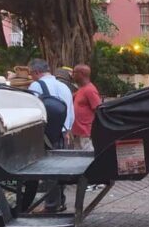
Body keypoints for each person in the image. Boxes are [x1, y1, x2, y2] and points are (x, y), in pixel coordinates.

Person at [27, 58, 74, 213]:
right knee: (60, 170)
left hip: (47, 134)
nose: (30, 77)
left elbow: (33, 111)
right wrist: (67, 130)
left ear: (36, 72)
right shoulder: (64, 87)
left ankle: (51, 206)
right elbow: (70, 112)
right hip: (63, 133)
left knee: (48, 171)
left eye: (31, 73)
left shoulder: (36, 86)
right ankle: (60, 202)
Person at [71, 64, 102, 151]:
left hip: (86, 133)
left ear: (81, 74)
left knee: (87, 158)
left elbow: (98, 109)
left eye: (74, 72)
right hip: (78, 133)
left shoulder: (90, 90)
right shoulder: (82, 89)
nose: (72, 75)